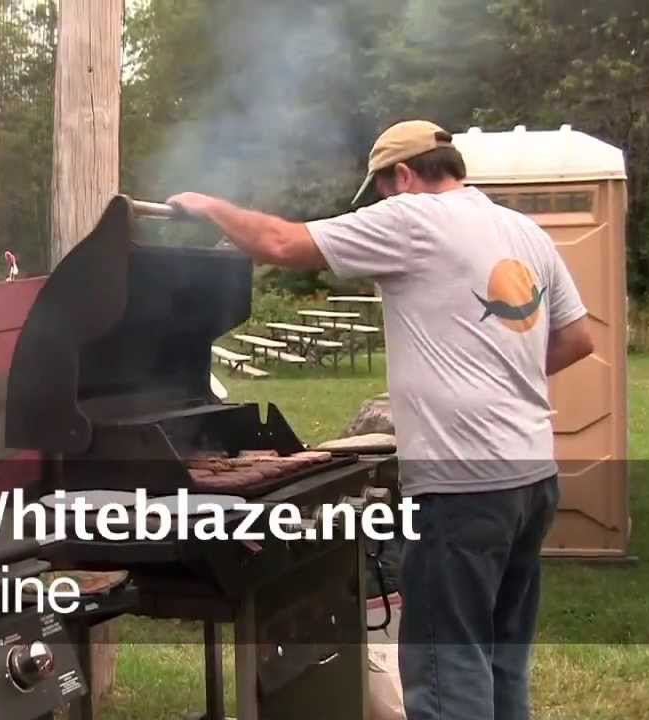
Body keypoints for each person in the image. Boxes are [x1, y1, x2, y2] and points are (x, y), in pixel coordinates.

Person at [167, 120, 595, 720]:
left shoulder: (414, 217)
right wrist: (503, 380)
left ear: (403, 175)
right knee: (499, 660)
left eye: (384, 190)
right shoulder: (522, 231)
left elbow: (282, 244)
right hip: (531, 479)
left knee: (449, 672)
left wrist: (209, 206)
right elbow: (577, 339)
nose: (383, 205)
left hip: (461, 487)